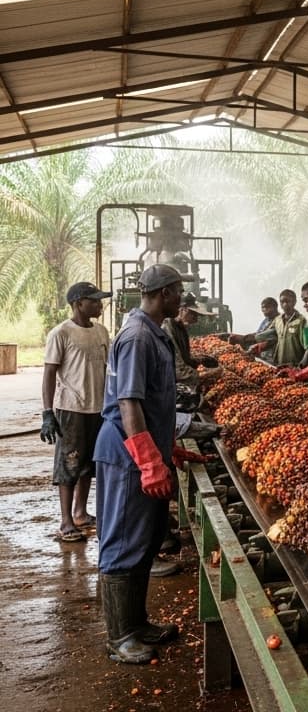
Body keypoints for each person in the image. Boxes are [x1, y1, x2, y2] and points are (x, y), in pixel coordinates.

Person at [93, 264, 209, 664]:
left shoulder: (153, 331)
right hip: (126, 454)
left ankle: (136, 622)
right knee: (123, 538)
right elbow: (129, 403)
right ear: (163, 293)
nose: (182, 298)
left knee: (144, 538)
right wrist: (148, 461)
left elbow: (155, 401)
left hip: (146, 447)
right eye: (178, 291)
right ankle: (119, 636)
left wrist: (168, 448)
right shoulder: (138, 336)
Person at [41, 281, 112, 543]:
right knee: (69, 464)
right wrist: (48, 412)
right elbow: (49, 373)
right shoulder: (61, 333)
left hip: (98, 408)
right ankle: (66, 521)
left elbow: (108, 370)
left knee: (88, 465)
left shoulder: (102, 332)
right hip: (72, 409)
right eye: (94, 300)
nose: (99, 304)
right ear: (78, 303)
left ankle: (81, 512)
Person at [163, 294, 221, 391]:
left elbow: (185, 359)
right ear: (183, 310)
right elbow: (178, 370)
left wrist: (200, 360)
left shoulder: (181, 328)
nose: (196, 319)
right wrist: (205, 375)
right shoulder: (168, 327)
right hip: (167, 386)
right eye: (193, 314)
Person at [257, 289, 307, 366]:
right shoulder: (278, 320)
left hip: (294, 366)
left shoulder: (301, 321)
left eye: (287, 301)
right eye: (282, 302)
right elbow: (266, 335)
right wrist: (257, 343)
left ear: (294, 302)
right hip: (279, 364)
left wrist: (301, 365)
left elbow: (307, 347)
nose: (284, 305)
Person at [228, 297, 278, 363]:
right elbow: (259, 333)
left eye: (267, 307)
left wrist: (243, 338)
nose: (264, 310)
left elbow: (262, 337)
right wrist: (241, 337)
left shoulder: (278, 321)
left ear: (275, 307)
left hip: (270, 356)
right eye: (263, 308)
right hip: (260, 352)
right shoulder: (267, 319)